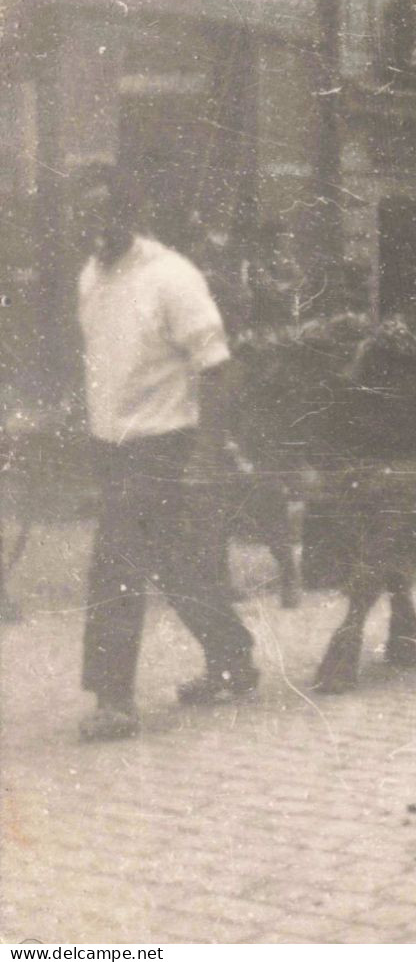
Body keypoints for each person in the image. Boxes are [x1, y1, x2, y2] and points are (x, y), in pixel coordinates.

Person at [74, 165, 260, 743]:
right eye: (86, 215)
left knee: (116, 565)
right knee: (176, 565)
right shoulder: (91, 278)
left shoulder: (171, 277)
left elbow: (219, 369)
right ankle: (234, 658)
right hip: (113, 446)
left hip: (163, 445)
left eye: (108, 213)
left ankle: (114, 701)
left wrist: (206, 454)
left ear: (133, 214)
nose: (96, 226)